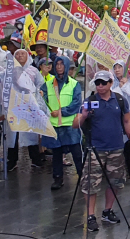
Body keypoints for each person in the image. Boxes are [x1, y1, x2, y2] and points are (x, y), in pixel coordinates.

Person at [72, 70, 130, 232]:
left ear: (110, 83)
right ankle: (91, 215)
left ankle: (107, 210)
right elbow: (75, 123)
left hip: (116, 148)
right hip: (95, 148)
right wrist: (84, 115)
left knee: (116, 182)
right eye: (97, 83)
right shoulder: (90, 100)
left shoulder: (119, 100)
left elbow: (127, 120)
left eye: (103, 83)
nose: (100, 86)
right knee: (91, 184)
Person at [43, 56, 83, 190]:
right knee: (57, 154)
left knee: (77, 153)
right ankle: (58, 179)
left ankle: (82, 176)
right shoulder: (48, 84)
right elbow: (41, 100)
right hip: (54, 125)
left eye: (62, 64)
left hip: (70, 125)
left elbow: (77, 103)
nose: (59, 67)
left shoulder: (74, 84)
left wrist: (61, 112)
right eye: (57, 64)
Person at [6, 49, 46, 170]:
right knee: (13, 133)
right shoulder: (9, 71)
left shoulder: (33, 71)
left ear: (27, 56)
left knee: (31, 132)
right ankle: (12, 160)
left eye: (22, 53)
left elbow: (41, 83)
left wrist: (39, 95)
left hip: (29, 105)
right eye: (17, 54)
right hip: (14, 106)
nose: (20, 56)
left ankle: (35, 158)